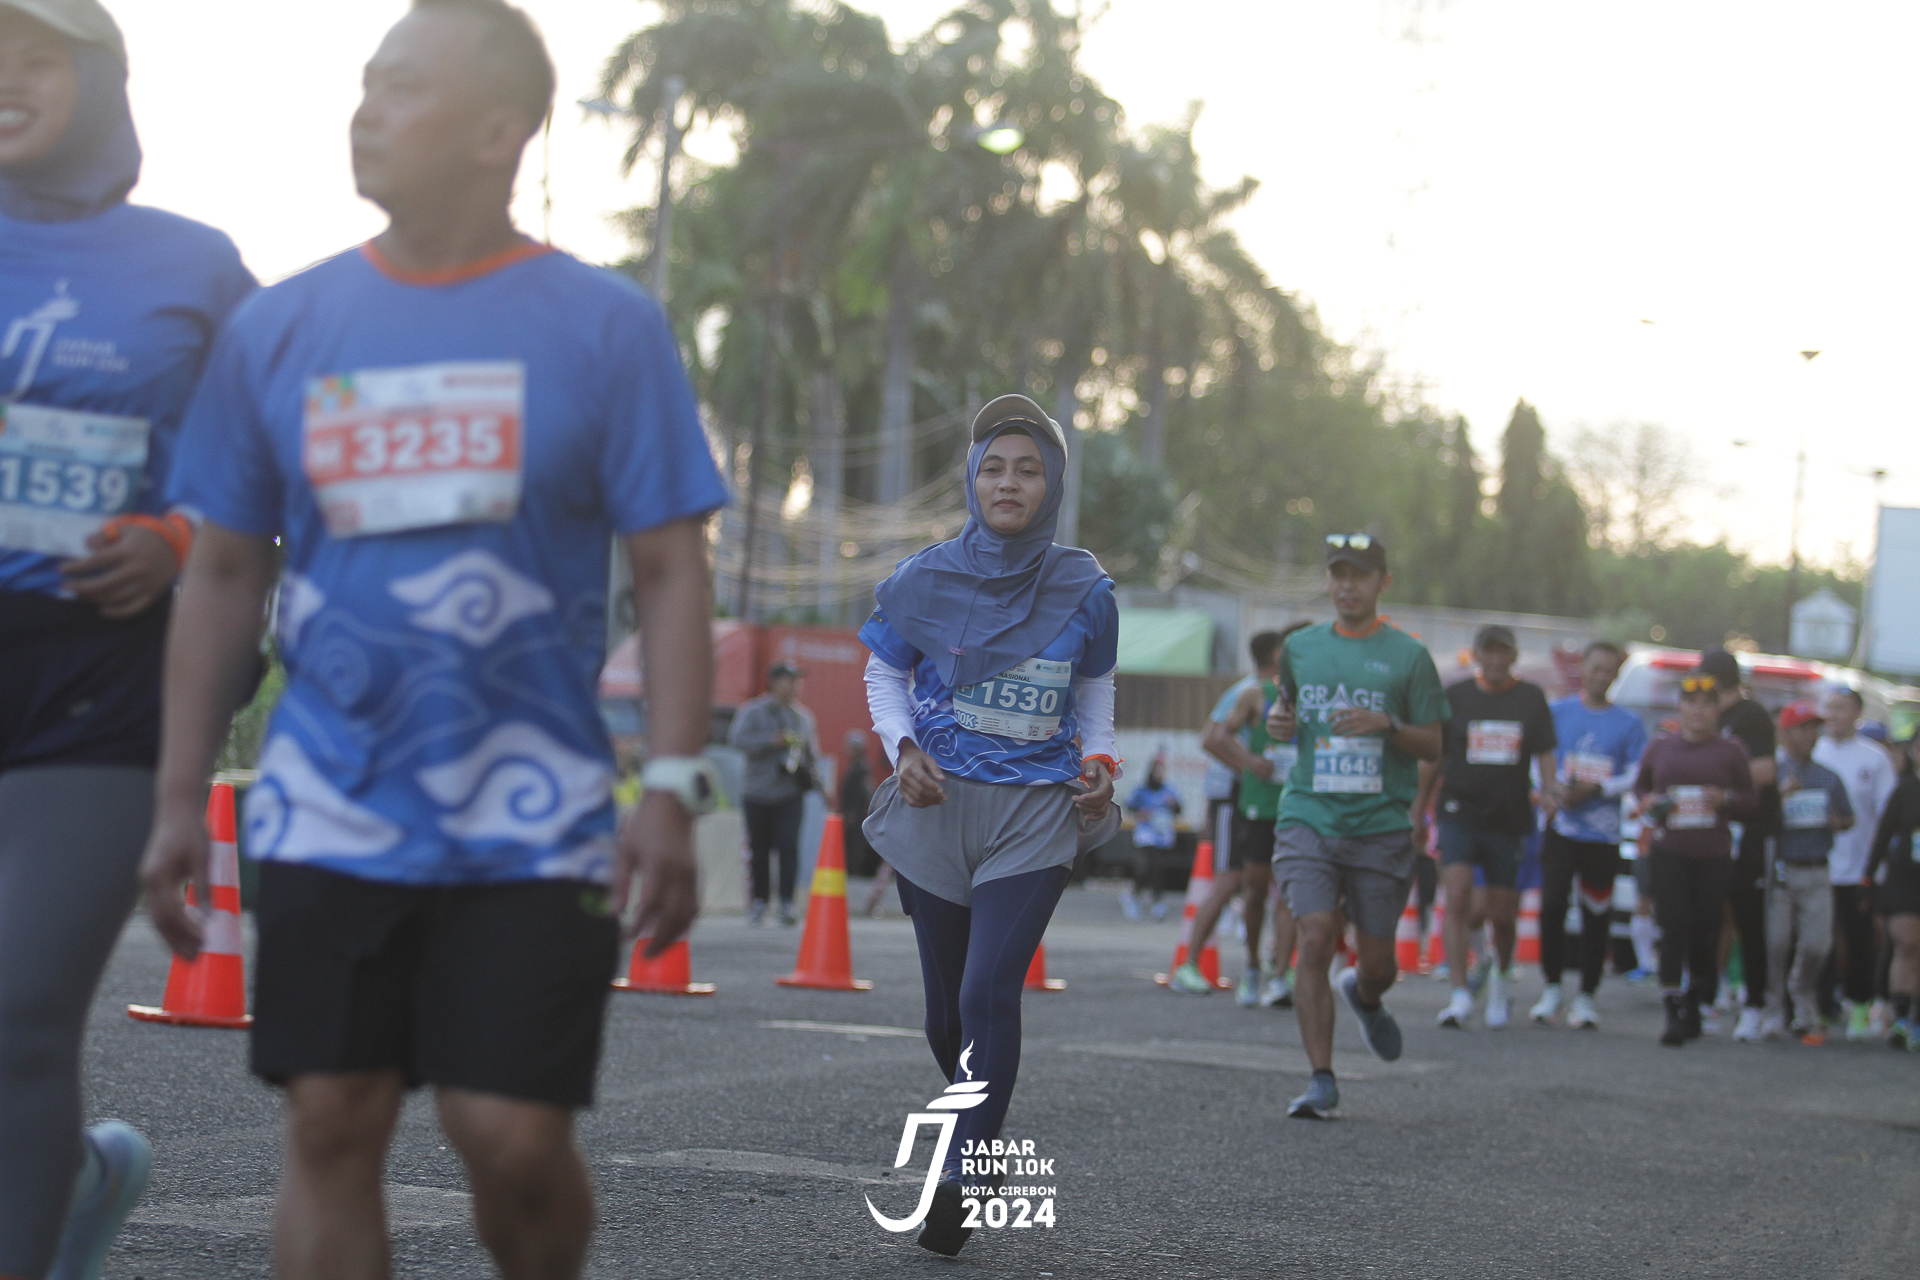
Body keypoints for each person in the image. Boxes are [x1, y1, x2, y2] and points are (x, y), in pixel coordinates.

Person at [136, 5, 727, 1278]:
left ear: (498, 130)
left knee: (509, 1133)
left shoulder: (605, 326)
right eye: (366, 83)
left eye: (402, 87)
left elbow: (672, 568)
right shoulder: (283, 326)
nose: (366, 110)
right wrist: (178, 793)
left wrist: (674, 785)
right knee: (330, 1118)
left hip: (536, 812)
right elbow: (225, 570)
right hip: (328, 801)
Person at [0, 2, 255, 1276]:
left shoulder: (195, 266)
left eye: (33, 55)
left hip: (105, 675)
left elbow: (267, 464)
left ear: (99, 80)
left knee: (17, 1009)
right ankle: (78, 1180)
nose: (3, 79)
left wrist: (176, 532)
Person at [860, 394, 1117, 1257]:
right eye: (994, 467)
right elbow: (884, 673)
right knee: (944, 1021)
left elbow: (1095, 690)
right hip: (938, 805)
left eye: (1029, 469)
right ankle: (986, 1132)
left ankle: (961, 1177)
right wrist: (901, 748)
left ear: (1053, 486)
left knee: (986, 995)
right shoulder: (924, 577)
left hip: (1035, 813)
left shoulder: (1086, 588)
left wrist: (1101, 759)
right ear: (973, 480)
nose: (1010, 483)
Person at [1263, 533, 1447, 1118]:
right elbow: (1285, 712)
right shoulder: (1300, 648)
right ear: (1327, 581)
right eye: (1338, 574)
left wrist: (1387, 723)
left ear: (1382, 584)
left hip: (1379, 825)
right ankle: (1321, 1077)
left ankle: (1366, 997)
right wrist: (1278, 723)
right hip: (1309, 814)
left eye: (1360, 575)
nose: (1348, 586)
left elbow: (1434, 744)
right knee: (1316, 935)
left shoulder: (1409, 656)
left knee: (1378, 966)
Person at [1415, 624, 1558, 1030]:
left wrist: (1550, 790)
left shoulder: (1530, 698)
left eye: (1502, 652)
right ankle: (1459, 993)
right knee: (1457, 895)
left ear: (1513, 657)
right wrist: (1418, 809)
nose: (1495, 659)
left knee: (1502, 914)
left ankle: (1499, 981)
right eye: (1488, 651)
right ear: (1476, 655)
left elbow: (1545, 751)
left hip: (1508, 816)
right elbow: (1434, 756)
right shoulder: (1456, 696)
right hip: (1458, 810)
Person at [1632, 670, 1756, 1046]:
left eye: (1707, 705)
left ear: (1717, 711)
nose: (1699, 711)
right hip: (1670, 850)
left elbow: (1751, 800)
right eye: (1691, 703)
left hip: (1712, 853)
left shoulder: (1731, 751)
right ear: (1680, 708)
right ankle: (1672, 1008)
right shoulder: (1661, 747)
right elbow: (1640, 787)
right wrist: (1650, 802)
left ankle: (1697, 997)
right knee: (1672, 928)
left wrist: (1727, 799)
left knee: (1705, 931)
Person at [1185, 627, 1303, 1006]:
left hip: (1288, 803)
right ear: (1278, 654)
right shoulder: (1250, 690)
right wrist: (1250, 765)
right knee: (1234, 883)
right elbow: (1211, 738)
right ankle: (1193, 964)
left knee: (1286, 890)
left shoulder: (1311, 693)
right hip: (1236, 799)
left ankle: (1279, 971)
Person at [1532, 640, 1645, 1029]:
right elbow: (1538, 758)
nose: (1600, 676)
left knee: (1596, 913)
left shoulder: (1629, 723)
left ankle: (1586, 996)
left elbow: (1636, 774)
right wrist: (1552, 791)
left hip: (1603, 837)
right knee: (1552, 906)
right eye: (1595, 668)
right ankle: (1551, 988)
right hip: (1561, 829)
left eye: (1608, 670)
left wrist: (1598, 788)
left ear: (1616, 674)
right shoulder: (1558, 712)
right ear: (1583, 668)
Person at [1695, 649, 1776, 1039]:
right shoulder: (1710, 719)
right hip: (1711, 831)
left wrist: (1719, 785)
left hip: (1750, 831)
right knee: (1710, 916)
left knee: (1749, 919)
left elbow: (1765, 771)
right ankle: (1708, 996)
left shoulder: (1751, 715)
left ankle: (1755, 1004)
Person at [1765, 700, 1853, 1041]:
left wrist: (1837, 821)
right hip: (1781, 869)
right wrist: (1779, 798)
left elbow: (1849, 817)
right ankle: (1774, 1007)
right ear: (1785, 733)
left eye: (1813, 728)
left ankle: (1802, 991)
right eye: (1802, 728)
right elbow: (1756, 818)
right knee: (1776, 942)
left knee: (1818, 943)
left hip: (1817, 868)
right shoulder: (1773, 773)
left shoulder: (1828, 777)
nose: (1809, 735)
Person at [1813, 686, 1898, 1040]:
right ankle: (1819, 1007)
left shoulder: (1874, 758)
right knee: (1818, 940)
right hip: (1816, 864)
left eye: (1841, 708)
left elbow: (1888, 813)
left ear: (1857, 714)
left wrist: (1880, 864)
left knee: (1859, 939)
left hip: (1860, 866)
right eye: (1829, 707)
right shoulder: (1813, 750)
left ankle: (1859, 1004)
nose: (1833, 714)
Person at [728, 662, 821, 925]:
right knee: (759, 850)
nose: (795, 686)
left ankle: (787, 903)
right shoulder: (753, 712)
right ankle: (759, 902)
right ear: (774, 682)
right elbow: (736, 740)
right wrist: (771, 741)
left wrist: (820, 785)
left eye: (797, 681)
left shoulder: (802, 718)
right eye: (789, 680)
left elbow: (812, 754)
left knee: (788, 846)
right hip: (757, 792)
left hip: (789, 793)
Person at [1864, 734, 1920, 1050]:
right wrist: (1867, 878)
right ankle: (1899, 1017)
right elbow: (1883, 834)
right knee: (1907, 943)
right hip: (1905, 879)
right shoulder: (1904, 790)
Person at [1123, 755, 1181, 922]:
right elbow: (1130, 806)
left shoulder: (1169, 791)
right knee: (1146, 865)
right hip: (1145, 834)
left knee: (1158, 868)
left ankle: (1152, 899)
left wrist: (1173, 805)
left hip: (1162, 835)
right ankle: (1143, 897)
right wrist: (1140, 813)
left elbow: (1178, 809)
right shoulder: (1142, 790)